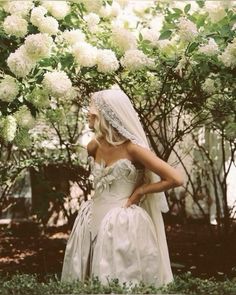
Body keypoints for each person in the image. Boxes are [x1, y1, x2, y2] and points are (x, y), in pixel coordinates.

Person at [61, 89, 183, 287]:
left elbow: (175, 178)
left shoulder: (132, 148)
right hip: (91, 217)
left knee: (121, 278)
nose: (87, 113)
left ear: (106, 114)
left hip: (121, 221)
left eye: (91, 109)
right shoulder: (93, 146)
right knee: (86, 275)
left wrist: (140, 192)